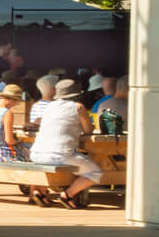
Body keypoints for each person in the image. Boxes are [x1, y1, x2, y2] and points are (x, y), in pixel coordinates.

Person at [28, 78, 103, 206]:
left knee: (53, 162)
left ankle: (39, 193)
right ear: (76, 94)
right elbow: (88, 130)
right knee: (95, 172)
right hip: (60, 154)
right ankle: (68, 195)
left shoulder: (48, 106)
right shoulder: (78, 107)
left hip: (35, 154)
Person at [0, 84, 30, 162]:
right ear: (12, 99)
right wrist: (19, 141)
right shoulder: (7, 113)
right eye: (16, 101)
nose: (15, 104)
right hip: (4, 157)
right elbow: (9, 140)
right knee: (29, 149)